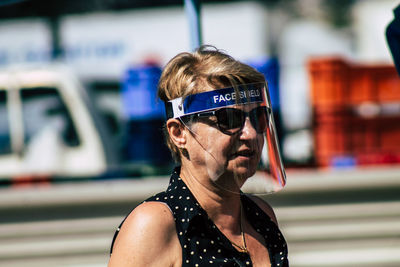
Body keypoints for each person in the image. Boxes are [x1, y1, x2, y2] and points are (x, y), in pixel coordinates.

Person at [108, 45, 289, 267]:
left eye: (258, 116)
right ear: (179, 133)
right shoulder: (154, 224)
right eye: (229, 119)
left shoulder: (261, 215)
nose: (250, 133)